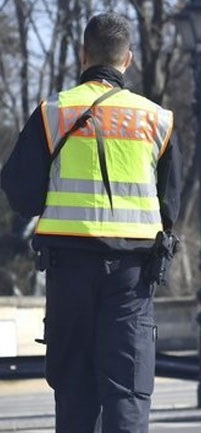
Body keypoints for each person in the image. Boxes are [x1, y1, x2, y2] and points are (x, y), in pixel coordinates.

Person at [1, 13, 180, 433]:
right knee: (127, 394)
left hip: (69, 270)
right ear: (128, 59)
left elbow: (20, 193)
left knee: (75, 393)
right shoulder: (157, 119)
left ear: (84, 55)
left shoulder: (53, 112)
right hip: (133, 277)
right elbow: (169, 206)